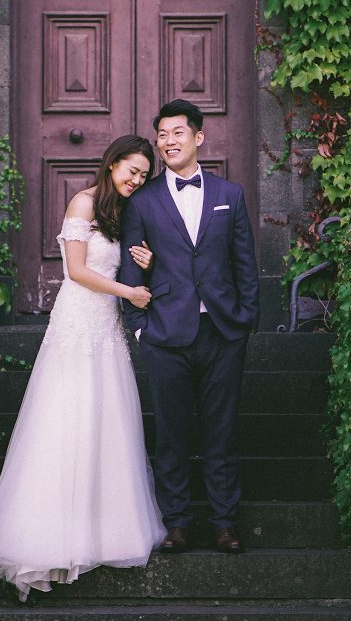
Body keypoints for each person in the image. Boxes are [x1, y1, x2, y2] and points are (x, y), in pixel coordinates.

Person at [0, 135, 165, 599]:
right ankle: (50, 529)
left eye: (144, 175)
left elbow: (124, 266)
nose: (136, 180)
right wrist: (130, 293)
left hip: (106, 328)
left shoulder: (124, 214)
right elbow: (78, 271)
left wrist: (144, 263)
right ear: (111, 165)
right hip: (79, 322)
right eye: (131, 170)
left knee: (108, 421)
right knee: (69, 416)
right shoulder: (83, 203)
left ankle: (107, 527)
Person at [118, 98, 258, 554]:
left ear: (198, 138)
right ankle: (176, 522)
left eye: (177, 132)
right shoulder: (141, 200)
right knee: (171, 433)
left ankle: (223, 523)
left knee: (222, 430)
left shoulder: (229, 195)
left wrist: (245, 322)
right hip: (165, 335)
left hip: (221, 332)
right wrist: (140, 328)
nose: (167, 141)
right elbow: (130, 271)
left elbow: (244, 264)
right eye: (161, 134)